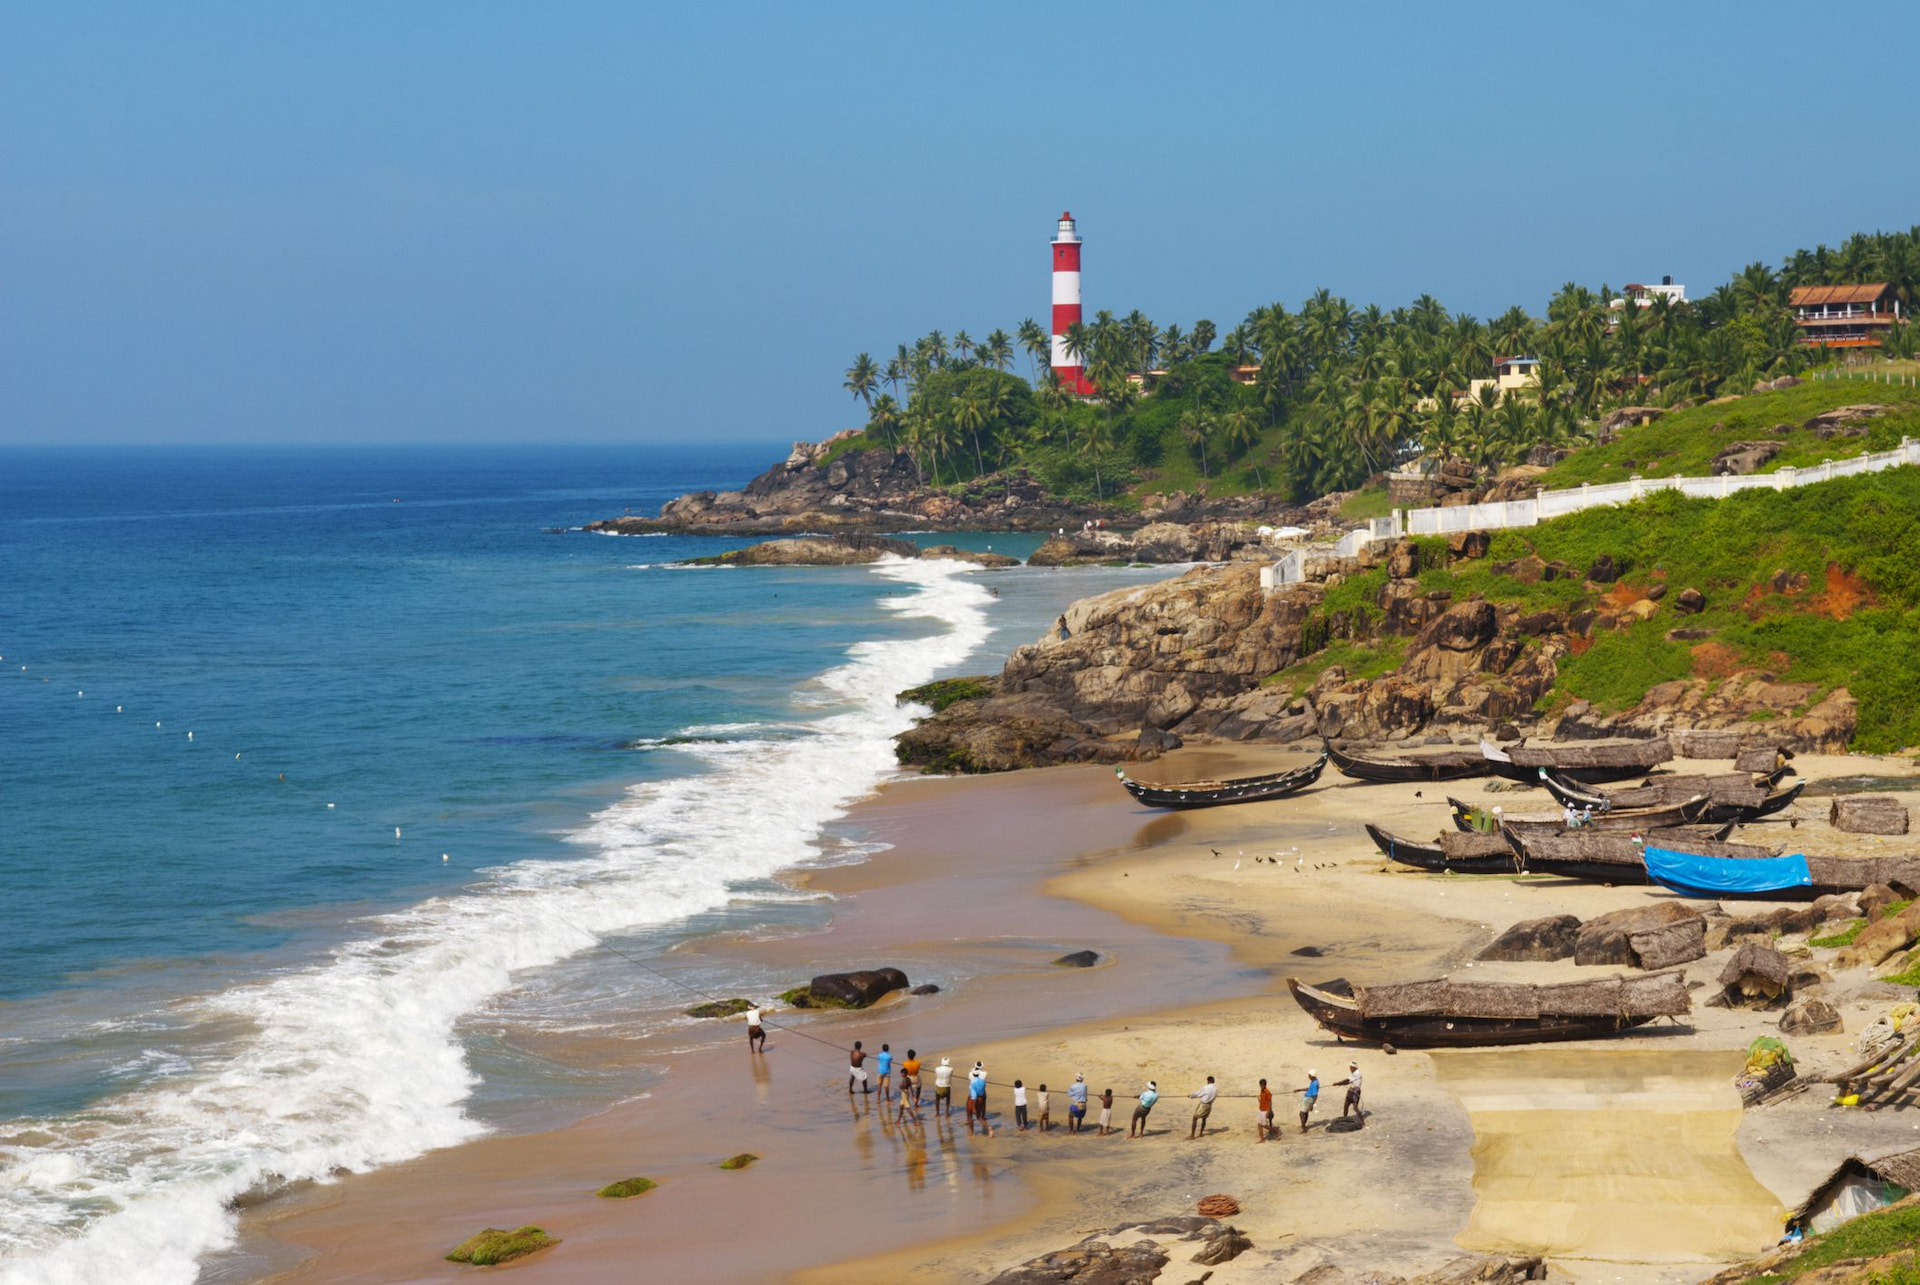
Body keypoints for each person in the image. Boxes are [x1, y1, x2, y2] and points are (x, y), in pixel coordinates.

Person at [1332, 1061, 1364, 1126]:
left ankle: (1362, 1122)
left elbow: (1347, 1080)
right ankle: (1345, 1119)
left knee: (1355, 1107)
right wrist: (1339, 1084)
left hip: (1355, 1091)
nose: (1350, 1068)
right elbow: (1348, 1082)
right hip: (1351, 1090)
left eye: (1351, 1067)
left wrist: (1337, 1083)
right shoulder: (1352, 1073)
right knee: (1346, 1106)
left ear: (1354, 1067)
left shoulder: (1357, 1073)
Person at [966, 1066, 994, 1137]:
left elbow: (974, 1096)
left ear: (973, 1074)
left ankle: (972, 1133)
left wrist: (974, 1107)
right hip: (981, 1099)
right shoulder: (982, 1081)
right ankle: (989, 1128)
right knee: (979, 1117)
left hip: (973, 1100)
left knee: (970, 1116)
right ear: (978, 1074)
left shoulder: (973, 1083)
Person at [896, 1049, 923, 1121]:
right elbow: (917, 1069)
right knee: (919, 1087)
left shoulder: (904, 1063)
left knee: (906, 1091)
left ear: (908, 1055)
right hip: (915, 1078)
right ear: (914, 1055)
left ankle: (907, 1102)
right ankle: (916, 1103)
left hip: (908, 1078)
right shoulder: (918, 1063)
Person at [1256, 1078, 1275, 1143]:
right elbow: (1261, 1101)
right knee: (1259, 1124)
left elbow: (1270, 1102)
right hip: (1261, 1109)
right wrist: (1259, 1099)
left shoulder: (1267, 1092)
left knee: (1264, 1125)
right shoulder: (1262, 1091)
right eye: (1260, 1085)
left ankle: (1276, 1132)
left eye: (1262, 1085)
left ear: (1264, 1085)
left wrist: (1268, 1111)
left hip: (1265, 1110)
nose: (1261, 1086)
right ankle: (1262, 1139)